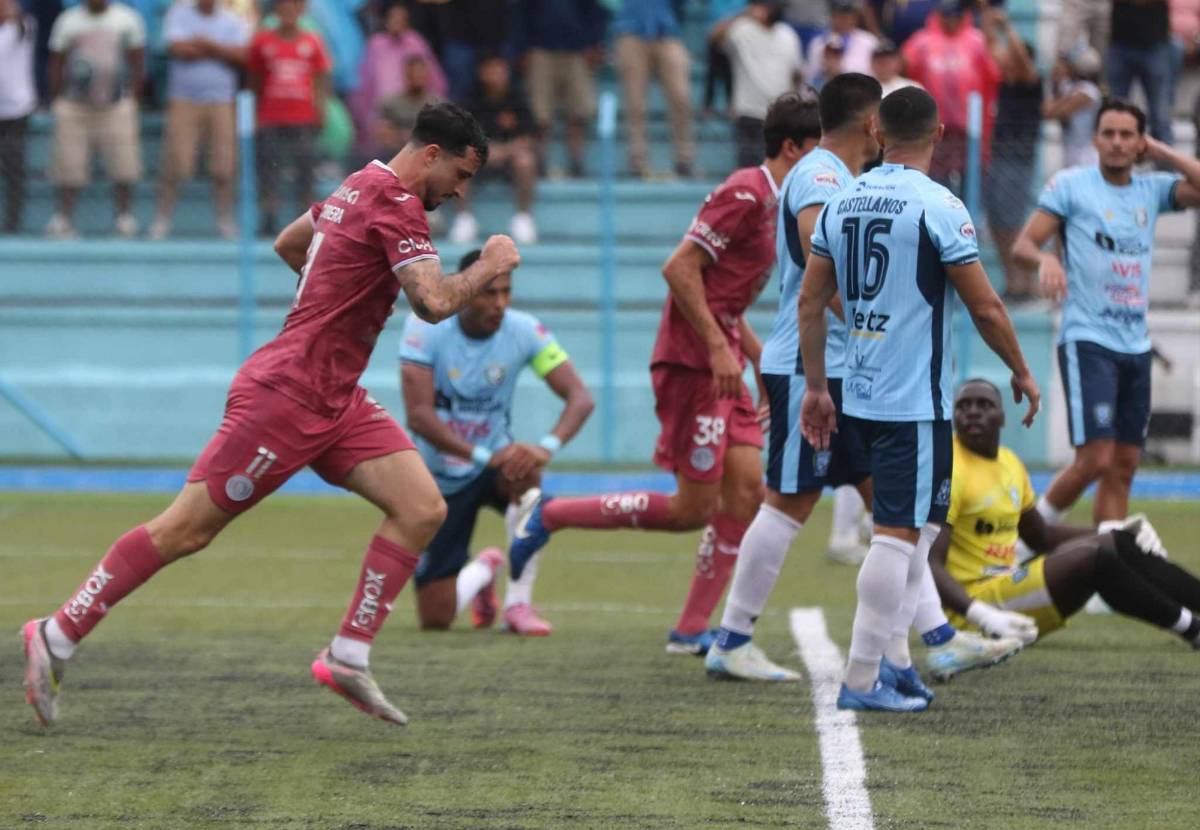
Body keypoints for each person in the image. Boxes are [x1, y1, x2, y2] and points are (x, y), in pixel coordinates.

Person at [21, 102, 521, 729]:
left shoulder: (359, 181)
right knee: (187, 529)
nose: (460, 189)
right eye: (461, 174)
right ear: (430, 155)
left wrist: (335, 296)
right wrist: (492, 261)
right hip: (286, 396)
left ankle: (347, 654)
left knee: (422, 508)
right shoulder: (398, 203)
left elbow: (292, 243)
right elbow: (433, 300)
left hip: (335, 397)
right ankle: (56, 632)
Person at [506, 94, 822, 657]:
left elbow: (724, 297)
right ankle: (550, 513)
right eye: (819, 152)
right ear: (793, 148)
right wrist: (720, 351)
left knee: (747, 491)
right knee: (691, 510)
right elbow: (679, 268)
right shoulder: (747, 192)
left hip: (720, 358)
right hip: (690, 363)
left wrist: (749, 351)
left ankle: (691, 628)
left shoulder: (778, 202)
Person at [798, 86, 1040, 712]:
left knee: (924, 527)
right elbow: (984, 304)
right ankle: (859, 680)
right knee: (900, 535)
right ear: (938, 136)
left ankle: (899, 664)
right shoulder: (938, 205)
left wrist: (819, 387)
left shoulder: (841, 199)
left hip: (858, 389)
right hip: (912, 401)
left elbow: (809, 302)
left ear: (877, 132)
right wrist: (1021, 369)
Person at [707, 73, 885, 680]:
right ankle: (730, 641)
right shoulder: (821, 173)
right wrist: (867, 327)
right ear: (871, 123)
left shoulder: (842, 178)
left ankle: (938, 635)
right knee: (787, 502)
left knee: (892, 508)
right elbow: (819, 267)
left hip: (841, 367)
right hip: (817, 367)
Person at [1011, 100, 1200, 530]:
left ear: (1140, 143)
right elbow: (1021, 247)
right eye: (1108, 133)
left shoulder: (1152, 190)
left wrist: (1165, 152)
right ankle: (1024, 542)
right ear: (1095, 139)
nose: (1116, 142)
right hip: (1088, 338)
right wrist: (1047, 262)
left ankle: (1105, 572)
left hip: (1136, 344)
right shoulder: (1071, 186)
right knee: (1095, 458)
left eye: (1127, 135)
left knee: (1125, 464)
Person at [399, 248, 594, 636]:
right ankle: (483, 570)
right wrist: (484, 456)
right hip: (440, 478)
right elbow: (419, 416)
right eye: (489, 293)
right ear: (464, 290)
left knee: (526, 474)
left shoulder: (525, 331)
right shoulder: (425, 328)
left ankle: (518, 605)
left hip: (497, 465)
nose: (500, 303)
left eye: (507, 292)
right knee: (435, 619)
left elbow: (579, 397)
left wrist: (545, 447)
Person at [928, 378, 1200, 651]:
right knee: (1095, 559)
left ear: (1002, 417)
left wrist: (1117, 529)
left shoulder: (1009, 463)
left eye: (984, 405)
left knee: (1118, 541)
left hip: (1008, 589)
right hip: (975, 609)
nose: (973, 411)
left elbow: (1041, 536)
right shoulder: (950, 469)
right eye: (964, 406)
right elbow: (929, 562)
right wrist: (980, 614)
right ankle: (1193, 629)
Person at [44, 0, 145, 239]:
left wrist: (134, 98)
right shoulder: (67, 21)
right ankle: (63, 219)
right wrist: (56, 99)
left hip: (115, 105)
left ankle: (124, 218)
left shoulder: (127, 19)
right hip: (74, 106)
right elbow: (57, 62)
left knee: (123, 164)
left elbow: (138, 62)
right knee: (68, 165)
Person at [150, 0, 250, 240]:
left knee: (225, 165)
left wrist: (204, 44)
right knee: (176, 162)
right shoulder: (178, 13)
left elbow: (241, 56)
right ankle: (162, 219)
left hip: (222, 101)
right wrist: (219, 50)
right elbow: (178, 49)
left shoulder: (232, 20)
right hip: (184, 100)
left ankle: (225, 220)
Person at [247, 0, 332, 236]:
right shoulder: (262, 41)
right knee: (268, 172)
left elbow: (320, 80)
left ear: (300, 10)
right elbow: (254, 80)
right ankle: (269, 216)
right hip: (271, 117)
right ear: (276, 11)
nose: (288, 12)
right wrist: (256, 114)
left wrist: (321, 110)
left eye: (293, 7)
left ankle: (305, 222)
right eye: (283, 7)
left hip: (303, 117)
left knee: (305, 171)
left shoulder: (312, 41)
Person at [901, 0, 1002, 195]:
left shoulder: (977, 40)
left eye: (955, 16)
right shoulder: (922, 40)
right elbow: (905, 68)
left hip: (969, 132)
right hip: (933, 129)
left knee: (970, 185)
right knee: (935, 184)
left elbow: (995, 74)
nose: (950, 21)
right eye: (946, 16)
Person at [452, 54, 540, 246]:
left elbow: (530, 138)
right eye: (492, 69)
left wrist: (504, 150)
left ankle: (523, 217)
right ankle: (464, 218)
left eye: (501, 69)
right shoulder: (470, 100)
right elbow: (460, 137)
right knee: (457, 159)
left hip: (510, 160)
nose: (497, 74)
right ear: (482, 73)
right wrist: (485, 151)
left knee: (526, 160)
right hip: (478, 161)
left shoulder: (518, 98)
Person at [517, 0, 609, 179]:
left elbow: (597, 10)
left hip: (578, 50)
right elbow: (521, 12)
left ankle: (577, 161)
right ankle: (540, 162)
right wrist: (522, 49)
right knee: (539, 114)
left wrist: (595, 43)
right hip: (539, 49)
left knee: (579, 112)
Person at [984, 16, 1041, 303]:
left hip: (1018, 159)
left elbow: (1017, 57)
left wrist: (1007, 27)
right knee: (996, 222)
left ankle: (1026, 282)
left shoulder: (1031, 84)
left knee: (1013, 222)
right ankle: (1012, 279)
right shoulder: (1004, 85)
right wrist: (987, 20)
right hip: (999, 156)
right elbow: (994, 49)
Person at [711, 0, 803, 168]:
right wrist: (745, 13)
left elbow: (796, 74)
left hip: (779, 114)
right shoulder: (742, 30)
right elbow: (714, 36)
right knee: (748, 172)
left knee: (777, 173)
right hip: (749, 112)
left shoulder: (788, 34)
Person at [351, 2, 447, 164]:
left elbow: (434, 76)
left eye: (401, 18)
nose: (397, 22)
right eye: (393, 17)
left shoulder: (416, 42)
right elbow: (366, 83)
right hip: (387, 115)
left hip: (418, 109)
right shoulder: (376, 44)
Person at [611, 0, 695, 178]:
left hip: (667, 31)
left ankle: (684, 158)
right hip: (630, 30)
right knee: (635, 103)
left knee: (681, 97)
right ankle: (637, 160)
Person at [1107, 0, 1174, 144]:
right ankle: (1113, 165)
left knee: (1160, 117)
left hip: (1155, 43)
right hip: (1120, 42)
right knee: (1113, 114)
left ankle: (1165, 166)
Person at [0, 0, 36, 235]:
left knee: (14, 168)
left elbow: (22, 23)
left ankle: (12, 223)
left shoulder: (24, 27)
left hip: (16, 111)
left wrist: (12, 13)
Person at [1043, 46, 1103, 171]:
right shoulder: (1068, 87)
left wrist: (1060, 84)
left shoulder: (1088, 91)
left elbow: (1052, 112)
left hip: (1086, 156)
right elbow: (1046, 110)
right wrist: (1056, 83)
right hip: (1069, 154)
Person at [805, 0, 878, 81]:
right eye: (841, 15)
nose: (845, 19)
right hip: (827, 89)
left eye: (849, 15)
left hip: (860, 89)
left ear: (856, 17)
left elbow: (876, 73)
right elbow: (811, 75)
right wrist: (825, 70)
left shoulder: (869, 41)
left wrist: (842, 71)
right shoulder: (818, 42)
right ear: (832, 16)